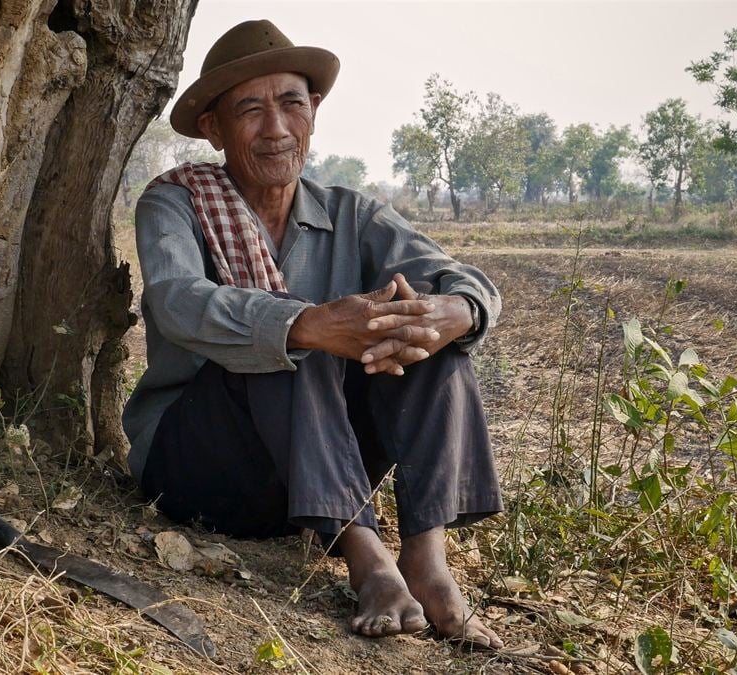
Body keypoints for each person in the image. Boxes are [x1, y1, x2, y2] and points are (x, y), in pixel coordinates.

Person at [122, 19, 504, 648]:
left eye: (291, 103)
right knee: (291, 331)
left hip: (313, 477)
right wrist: (309, 324)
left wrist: (454, 314)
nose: (275, 128)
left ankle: (426, 560)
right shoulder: (177, 204)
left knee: (427, 332)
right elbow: (175, 302)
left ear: (314, 111)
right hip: (201, 467)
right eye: (250, 109)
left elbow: (460, 279)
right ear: (214, 129)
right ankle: (369, 562)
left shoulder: (355, 213)